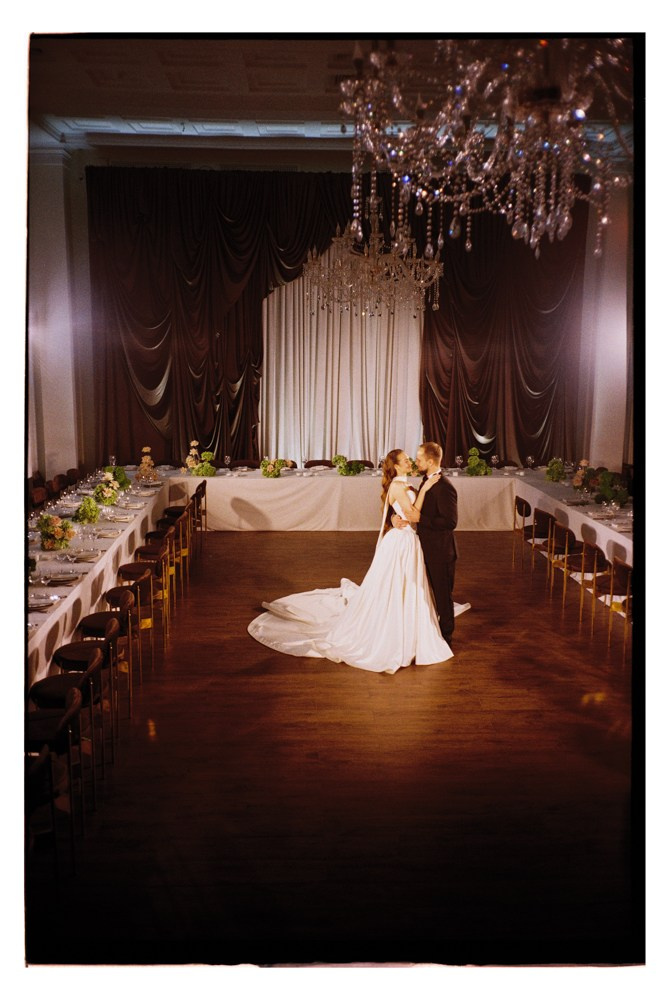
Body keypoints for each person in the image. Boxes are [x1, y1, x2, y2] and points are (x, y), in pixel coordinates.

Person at [247, 449, 468, 674]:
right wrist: (413, 501)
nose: (412, 461)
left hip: (412, 542)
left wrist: (395, 513)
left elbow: (409, 511)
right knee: (398, 586)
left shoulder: (413, 483)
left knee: (411, 588)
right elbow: (412, 514)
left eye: (415, 458)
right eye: (406, 460)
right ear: (397, 467)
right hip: (402, 543)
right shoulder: (402, 486)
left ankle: (419, 628)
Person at [392, 442, 459, 645]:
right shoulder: (425, 481)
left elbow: (450, 522)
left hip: (440, 551)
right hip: (425, 548)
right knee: (429, 592)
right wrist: (395, 518)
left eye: (419, 458)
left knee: (442, 595)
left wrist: (421, 519)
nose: (416, 461)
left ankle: (446, 636)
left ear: (430, 461)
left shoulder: (445, 487)